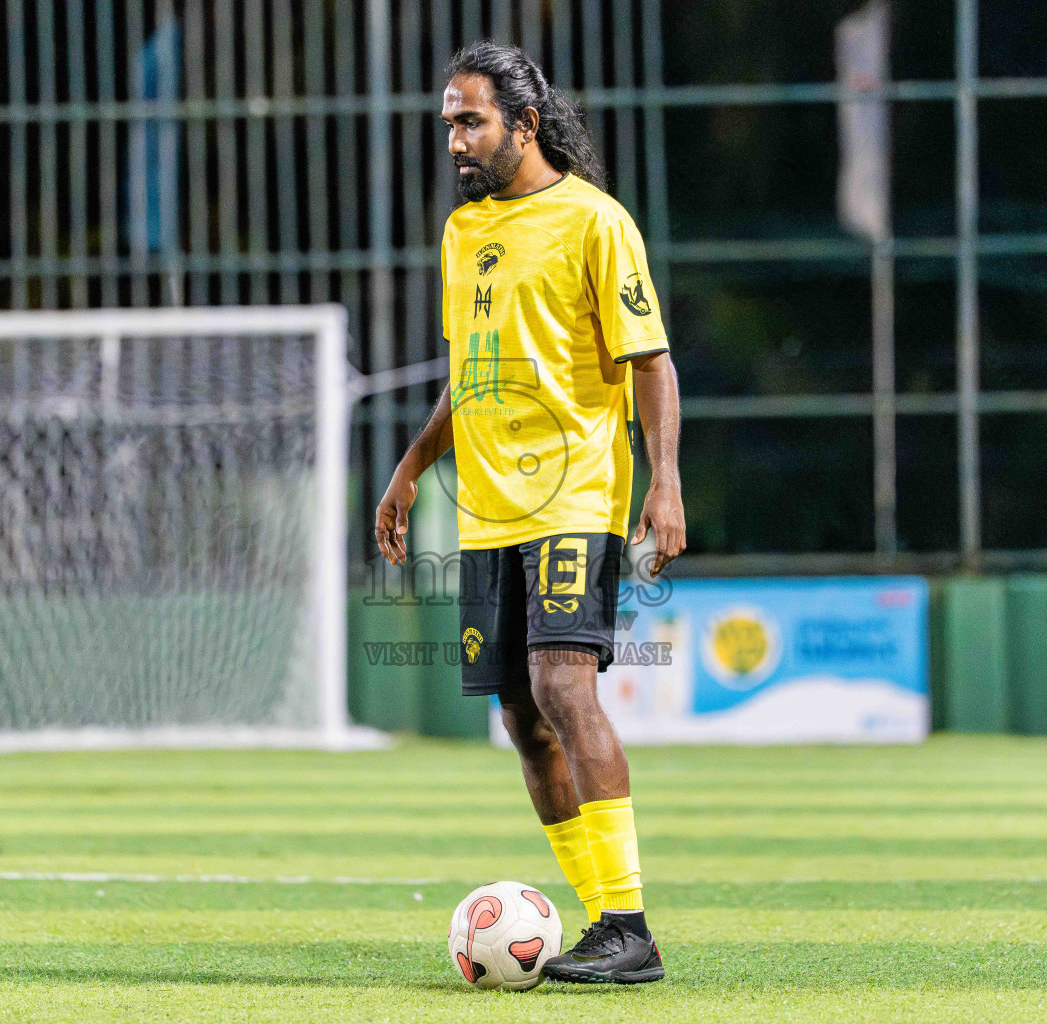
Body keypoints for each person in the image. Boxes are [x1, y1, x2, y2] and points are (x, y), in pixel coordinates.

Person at [374, 40, 684, 985]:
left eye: (471, 121)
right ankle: (605, 925)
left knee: (561, 687)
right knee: (521, 715)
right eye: (449, 125)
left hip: (575, 495)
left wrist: (663, 482)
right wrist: (412, 465)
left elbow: (652, 363)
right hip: (489, 515)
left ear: (526, 124)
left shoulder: (597, 222)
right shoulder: (463, 234)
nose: (456, 140)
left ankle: (628, 922)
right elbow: (470, 379)